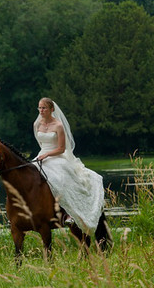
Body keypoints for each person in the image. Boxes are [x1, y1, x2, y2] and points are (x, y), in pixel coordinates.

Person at [33, 97, 105, 235]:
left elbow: (61, 148)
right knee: (29, 176)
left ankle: (68, 213)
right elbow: (41, 144)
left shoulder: (58, 125)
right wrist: (42, 155)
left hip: (57, 156)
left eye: (44, 108)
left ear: (51, 109)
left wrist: (47, 155)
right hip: (41, 156)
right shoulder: (37, 124)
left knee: (59, 178)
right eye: (39, 108)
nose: (41, 111)